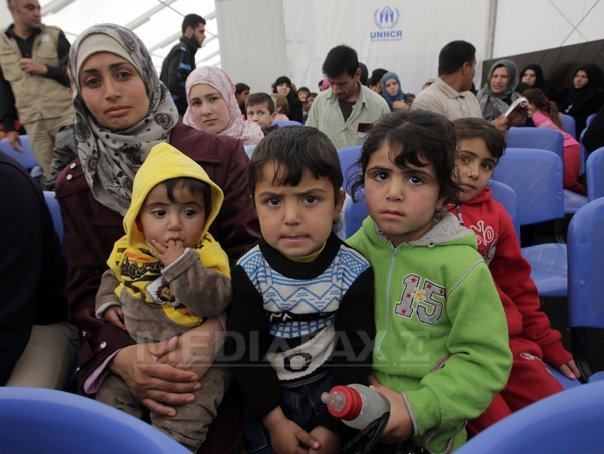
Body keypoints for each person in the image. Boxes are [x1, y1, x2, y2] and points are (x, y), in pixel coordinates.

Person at [55, 23, 260, 452]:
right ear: (78, 92)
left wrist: (216, 331)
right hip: (128, 354)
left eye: (122, 74)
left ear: (147, 74)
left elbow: (251, 260)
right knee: (107, 438)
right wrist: (122, 356)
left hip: (212, 356)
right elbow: (84, 287)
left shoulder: (217, 157)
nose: (111, 92)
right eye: (92, 81)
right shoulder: (78, 184)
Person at [346, 110, 512, 452]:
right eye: (381, 175)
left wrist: (417, 409)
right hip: (354, 417)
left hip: (427, 437)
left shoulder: (463, 267)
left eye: (416, 179)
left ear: (442, 194)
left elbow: (484, 361)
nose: (394, 192)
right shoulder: (352, 252)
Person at [227, 126, 375, 453]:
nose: (291, 217)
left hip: (333, 394)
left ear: (337, 203)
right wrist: (274, 422)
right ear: (253, 205)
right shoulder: (249, 271)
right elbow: (245, 353)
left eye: (310, 199)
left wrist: (333, 425)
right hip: (268, 398)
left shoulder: (354, 270)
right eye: (273, 201)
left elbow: (355, 353)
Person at [94, 143, 231, 451]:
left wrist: (180, 265)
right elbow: (112, 275)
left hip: (195, 360)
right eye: (159, 212)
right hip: (137, 349)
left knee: (185, 417)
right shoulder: (128, 247)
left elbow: (216, 300)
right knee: (109, 407)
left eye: (189, 212)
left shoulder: (207, 253)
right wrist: (108, 301)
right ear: (139, 218)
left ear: (206, 216)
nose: (175, 223)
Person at [448, 117, 580, 435]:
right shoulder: (422, 209)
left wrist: (547, 342)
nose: (473, 173)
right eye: (464, 159)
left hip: (502, 338)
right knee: (501, 429)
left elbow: (517, 286)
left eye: (486, 165)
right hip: (448, 346)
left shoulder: (497, 215)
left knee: (559, 415)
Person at [0, 151, 78, 388]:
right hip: (12, 320)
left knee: (16, 410)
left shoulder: (8, 185)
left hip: (36, 323)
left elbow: (10, 313)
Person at [0, 0, 75, 179]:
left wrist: (45, 69)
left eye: (38, 8)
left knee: (79, 166)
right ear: (13, 8)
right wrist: (9, 127)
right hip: (33, 124)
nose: (37, 13)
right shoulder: (2, 44)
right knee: (53, 176)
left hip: (65, 118)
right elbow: (4, 89)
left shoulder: (54, 35)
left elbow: (76, 76)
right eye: (30, 7)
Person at [411, 40, 509, 133]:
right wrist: (491, 129)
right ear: (465, 67)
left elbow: (478, 132)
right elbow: (438, 140)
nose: (474, 72)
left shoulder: (470, 96)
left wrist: (492, 127)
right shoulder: (427, 100)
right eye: (474, 66)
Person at [306, 45, 389, 150]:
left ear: (357, 74)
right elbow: (308, 140)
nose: (335, 90)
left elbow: (387, 148)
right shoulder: (320, 102)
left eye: (342, 84)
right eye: (331, 83)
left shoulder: (379, 106)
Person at [523, 88, 586, 195]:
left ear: (531, 105)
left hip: (569, 148)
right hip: (565, 148)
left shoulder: (534, 118)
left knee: (569, 183)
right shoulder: (542, 114)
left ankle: (591, 197)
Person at [183, 66, 264, 146]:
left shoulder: (257, 142)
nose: (206, 111)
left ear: (229, 99)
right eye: (196, 103)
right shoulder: (183, 148)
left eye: (213, 99)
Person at [159, 14, 206, 116]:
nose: (204, 36)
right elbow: (177, 84)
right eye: (201, 31)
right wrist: (192, 109)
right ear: (189, 30)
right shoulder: (182, 51)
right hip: (177, 113)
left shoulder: (185, 51)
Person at [557, 63, 604, 134]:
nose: (578, 79)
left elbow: (591, 119)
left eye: (583, 77)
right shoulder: (568, 90)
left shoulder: (598, 96)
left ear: (592, 79)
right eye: (577, 76)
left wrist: (566, 119)